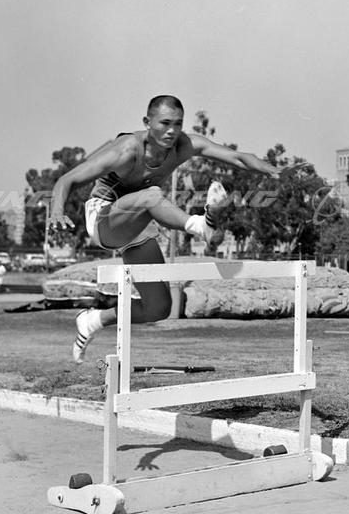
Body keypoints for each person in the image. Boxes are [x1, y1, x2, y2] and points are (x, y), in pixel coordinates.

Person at [48, 94, 280, 363]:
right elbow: (67, 180)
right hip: (105, 218)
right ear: (147, 122)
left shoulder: (184, 145)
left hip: (140, 223)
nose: (172, 131)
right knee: (152, 195)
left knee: (158, 307)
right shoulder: (126, 150)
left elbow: (237, 157)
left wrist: (273, 170)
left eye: (178, 124)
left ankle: (92, 321)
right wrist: (57, 211)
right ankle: (200, 226)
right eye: (165, 123)